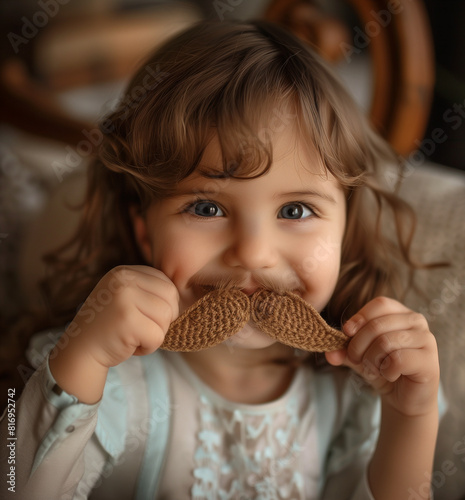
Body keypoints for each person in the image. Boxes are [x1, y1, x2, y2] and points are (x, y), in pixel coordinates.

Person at [0, 20, 441, 500]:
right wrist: (81, 360)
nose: (252, 253)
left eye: (295, 210)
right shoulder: (108, 377)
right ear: (143, 230)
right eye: (206, 208)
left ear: (345, 228)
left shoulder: (354, 393)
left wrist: (411, 418)